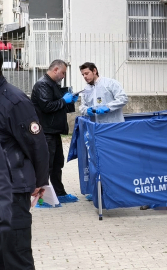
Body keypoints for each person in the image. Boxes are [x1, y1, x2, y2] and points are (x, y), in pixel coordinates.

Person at [0, 52, 49, 269]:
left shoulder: (14, 101)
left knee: (14, 258)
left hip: (10, 194)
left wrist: (40, 181)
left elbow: (37, 145)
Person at [31, 59, 79, 203]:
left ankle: (59, 193)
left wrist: (70, 102)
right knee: (47, 165)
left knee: (57, 163)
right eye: (63, 72)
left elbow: (59, 105)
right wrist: (64, 101)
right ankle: (43, 199)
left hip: (53, 130)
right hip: (46, 131)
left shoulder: (52, 85)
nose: (64, 75)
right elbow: (47, 106)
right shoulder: (42, 84)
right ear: (55, 70)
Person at [79, 62, 128, 201]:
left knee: (115, 160)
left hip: (113, 129)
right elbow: (82, 106)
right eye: (83, 75)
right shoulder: (86, 89)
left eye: (87, 73)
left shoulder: (110, 83)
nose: (85, 77)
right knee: (97, 161)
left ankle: (118, 190)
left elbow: (123, 98)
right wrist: (85, 110)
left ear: (95, 71)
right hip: (96, 130)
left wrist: (107, 107)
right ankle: (98, 189)